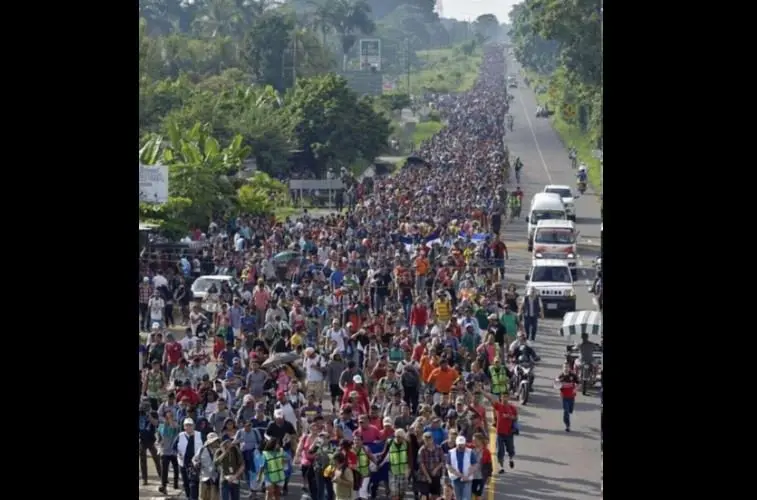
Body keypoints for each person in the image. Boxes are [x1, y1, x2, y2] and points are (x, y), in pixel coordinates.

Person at [481, 391, 516, 473]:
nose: (505, 399)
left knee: (510, 449)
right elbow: (490, 399)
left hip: (509, 433)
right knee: (500, 450)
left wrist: (509, 417)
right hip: (500, 433)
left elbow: (515, 417)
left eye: (506, 397)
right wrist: (482, 391)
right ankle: (501, 467)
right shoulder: (499, 406)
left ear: (508, 398)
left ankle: (511, 459)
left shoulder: (512, 408)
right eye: (503, 397)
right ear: (501, 398)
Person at [377, 428, 412, 500]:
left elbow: (410, 457)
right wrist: (378, 462)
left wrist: (409, 468)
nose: (400, 439)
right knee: (394, 492)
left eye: (402, 437)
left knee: (402, 492)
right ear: (395, 436)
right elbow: (384, 454)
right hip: (393, 471)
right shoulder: (389, 442)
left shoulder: (407, 443)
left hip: (403, 471)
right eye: (398, 437)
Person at [178, 417, 204, 500]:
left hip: (196, 463)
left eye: (190, 425)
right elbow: (174, 447)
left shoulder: (200, 434)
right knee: (186, 482)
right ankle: (188, 496)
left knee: (194, 482)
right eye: (186, 425)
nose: (188, 427)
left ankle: (194, 497)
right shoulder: (180, 435)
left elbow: (205, 446)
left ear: (194, 426)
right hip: (183, 462)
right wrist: (179, 453)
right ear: (184, 427)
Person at [139, 398, 162, 486]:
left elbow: (156, 424)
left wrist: (149, 416)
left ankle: (161, 476)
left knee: (156, 458)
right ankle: (145, 479)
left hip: (152, 440)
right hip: (142, 439)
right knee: (142, 460)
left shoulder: (154, 413)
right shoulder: (139, 413)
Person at [445, 436, 477, 500]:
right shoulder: (451, 452)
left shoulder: (470, 452)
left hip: (467, 479)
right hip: (455, 479)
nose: (461, 446)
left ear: (465, 444)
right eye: (459, 444)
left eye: (462, 444)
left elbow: (474, 465)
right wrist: (460, 475)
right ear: (456, 444)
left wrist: (467, 476)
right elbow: (448, 466)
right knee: (457, 498)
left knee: (466, 498)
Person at [157, 409, 181, 494]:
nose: (169, 418)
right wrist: (160, 445)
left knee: (176, 468)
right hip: (165, 451)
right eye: (167, 416)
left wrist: (171, 421)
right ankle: (163, 486)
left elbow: (175, 428)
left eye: (171, 416)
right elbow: (159, 438)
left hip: (174, 451)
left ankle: (175, 483)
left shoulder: (176, 425)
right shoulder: (161, 427)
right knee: (164, 469)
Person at [417, 430, 446, 500]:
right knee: (424, 496)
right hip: (424, 476)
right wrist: (428, 477)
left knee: (436, 496)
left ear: (432, 439)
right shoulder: (422, 450)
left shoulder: (438, 448)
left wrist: (436, 469)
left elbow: (442, 461)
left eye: (429, 440)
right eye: (426, 440)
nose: (428, 442)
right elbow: (421, 464)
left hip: (436, 475)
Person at [194, 432, 223, 500]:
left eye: (215, 440)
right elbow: (195, 459)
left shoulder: (221, 450)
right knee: (202, 497)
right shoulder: (202, 449)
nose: (214, 442)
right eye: (213, 441)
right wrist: (196, 463)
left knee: (215, 498)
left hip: (216, 478)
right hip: (204, 476)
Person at [555, 365, 579, 431]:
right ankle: (567, 426)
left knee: (570, 410)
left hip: (572, 396)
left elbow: (578, 383)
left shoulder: (573, 375)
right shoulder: (560, 376)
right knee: (566, 411)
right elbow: (555, 384)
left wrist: (575, 389)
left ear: (569, 368)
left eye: (567, 367)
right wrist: (557, 383)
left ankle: (569, 414)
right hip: (564, 397)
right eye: (564, 367)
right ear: (563, 368)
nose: (566, 369)